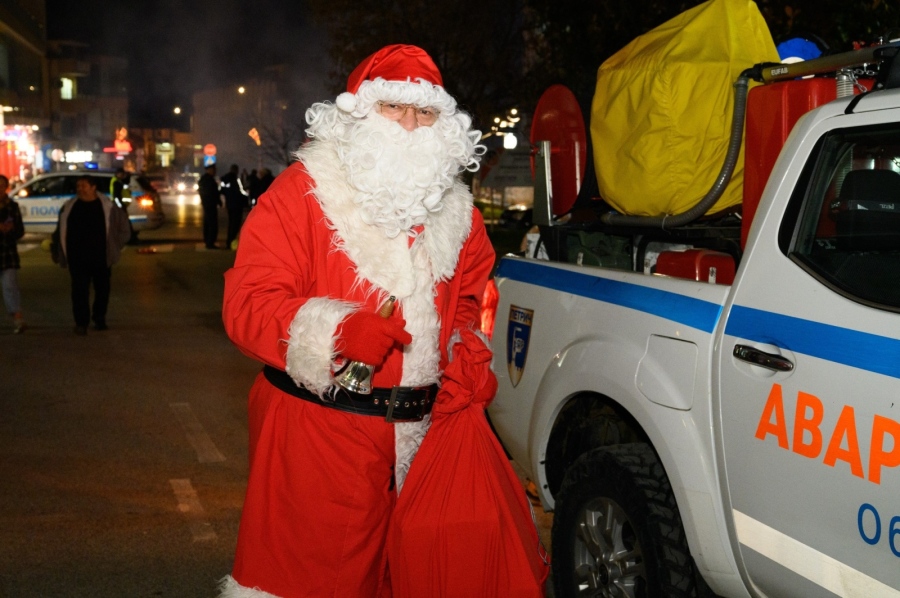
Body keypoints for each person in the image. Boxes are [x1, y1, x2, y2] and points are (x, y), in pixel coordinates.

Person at [219, 44, 494, 597]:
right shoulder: (301, 193)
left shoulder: (459, 212)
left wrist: (466, 349)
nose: (411, 126)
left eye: (425, 113)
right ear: (359, 113)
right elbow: (246, 302)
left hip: (421, 443)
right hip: (319, 438)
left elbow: (469, 298)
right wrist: (335, 331)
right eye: (394, 108)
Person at [52, 175, 130, 335]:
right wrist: (56, 249)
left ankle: (99, 318)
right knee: (79, 291)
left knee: (103, 290)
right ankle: (81, 323)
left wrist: (115, 246)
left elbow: (124, 230)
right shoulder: (69, 207)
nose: (80, 189)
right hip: (77, 257)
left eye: (83, 185)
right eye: (78, 186)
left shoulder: (109, 207)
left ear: (93, 187)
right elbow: (59, 230)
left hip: (101, 257)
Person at [0, 174, 26, 334]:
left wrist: (10, 231)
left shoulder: (12, 207)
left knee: (10, 286)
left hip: (7, 253)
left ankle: (18, 318)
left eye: (2, 186)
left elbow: (20, 230)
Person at [220, 163, 248, 248]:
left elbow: (222, 190)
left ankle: (229, 241)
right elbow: (239, 191)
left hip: (230, 204)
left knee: (231, 223)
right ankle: (232, 242)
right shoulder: (235, 179)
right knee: (235, 224)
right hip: (236, 204)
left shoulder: (225, 178)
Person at [110, 167, 137, 244]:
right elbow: (116, 195)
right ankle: (130, 238)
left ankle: (129, 238)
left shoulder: (118, 181)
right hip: (119, 205)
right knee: (124, 223)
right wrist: (119, 206)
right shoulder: (116, 182)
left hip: (120, 205)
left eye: (122, 174)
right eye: (120, 174)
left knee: (121, 222)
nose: (122, 175)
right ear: (117, 174)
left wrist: (128, 175)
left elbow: (125, 182)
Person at [198, 164, 220, 249]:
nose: (215, 172)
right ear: (209, 170)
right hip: (210, 204)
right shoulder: (208, 180)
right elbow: (211, 193)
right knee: (212, 223)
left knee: (208, 223)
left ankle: (208, 241)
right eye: (213, 170)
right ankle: (210, 242)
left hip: (207, 204)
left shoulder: (205, 179)